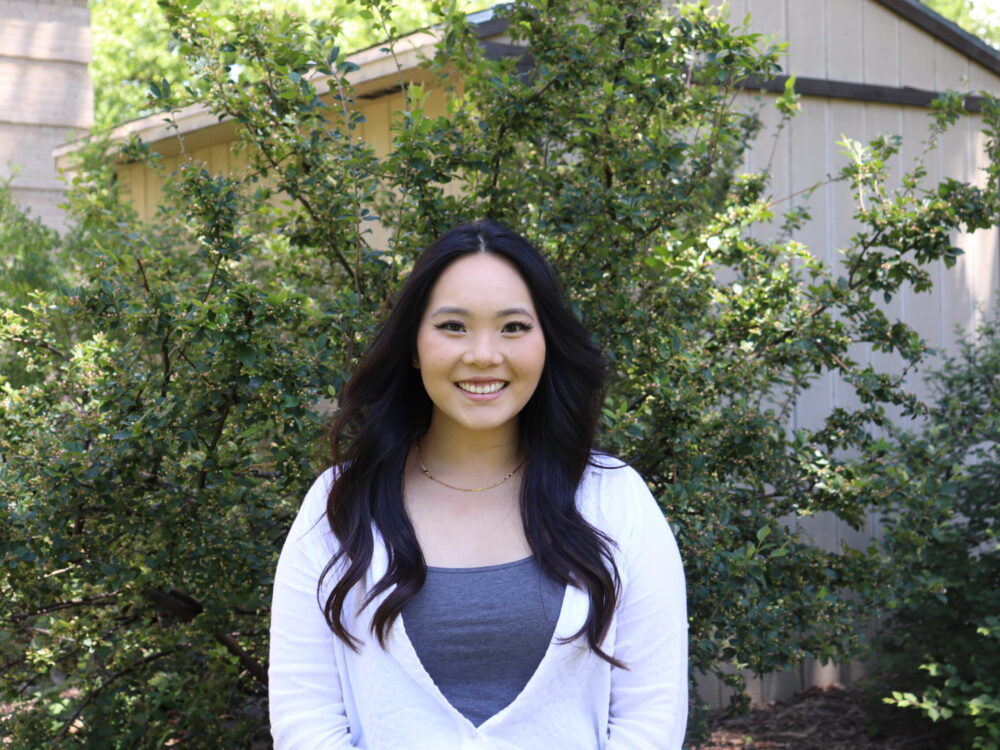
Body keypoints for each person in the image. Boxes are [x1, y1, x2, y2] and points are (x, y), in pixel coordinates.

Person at [268, 220, 688, 749]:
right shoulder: (341, 504)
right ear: (414, 346)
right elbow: (305, 719)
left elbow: (651, 718)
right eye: (453, 326)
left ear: (546, 344)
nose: (485, 354)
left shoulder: (615, 498)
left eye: (513, 327)